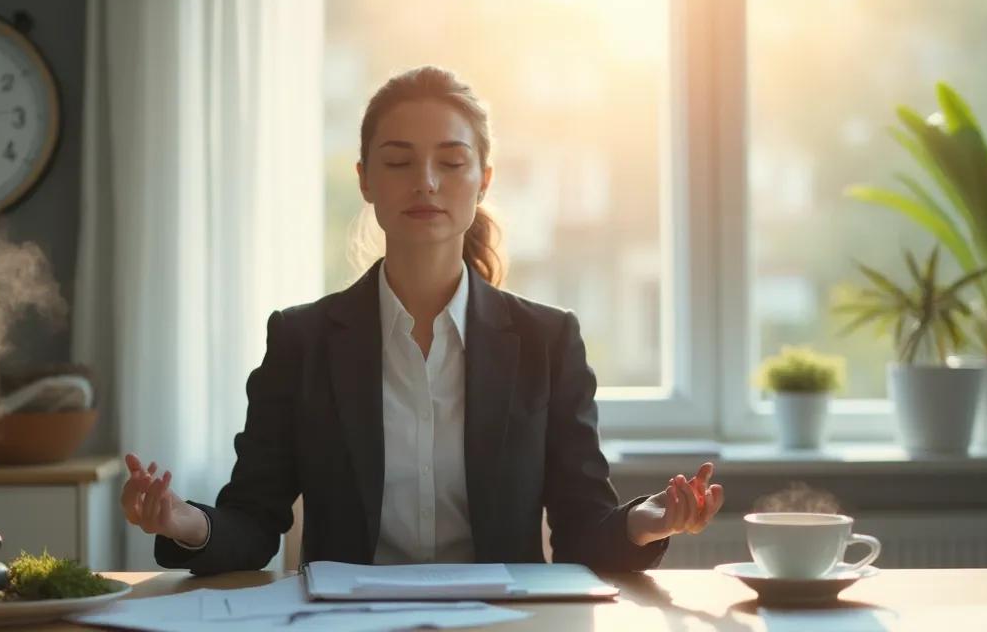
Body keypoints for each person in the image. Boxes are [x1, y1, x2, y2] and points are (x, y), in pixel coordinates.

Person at [120, 65, 723, 575]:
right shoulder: (302, 340)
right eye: (399, 161)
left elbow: (583, 526)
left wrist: (652, 520)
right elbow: (253, 524)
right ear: (365, 180)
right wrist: (180, 520)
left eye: (452, 162)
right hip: (348, 624)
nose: (426, 183)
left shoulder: (547, 339)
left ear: (483, 181)